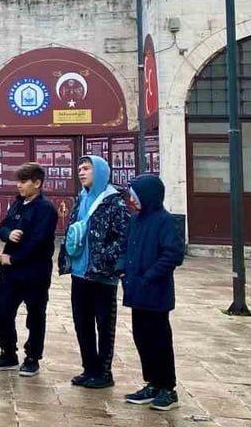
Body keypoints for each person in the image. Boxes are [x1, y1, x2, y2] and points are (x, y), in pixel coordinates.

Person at [59, 155, 130, 389]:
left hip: (102, 275)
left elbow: (122, 237)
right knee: (82, 322)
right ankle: (89, 368)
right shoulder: (81, 198)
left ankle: (104, 372)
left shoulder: (114, 202)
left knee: (104, 325)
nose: (81, 172)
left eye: (86, 168)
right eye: (79, 168)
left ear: (99, 172)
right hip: (80, 272)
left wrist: (105, 258)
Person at [119, 174, 184, 411]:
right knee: (142, 338)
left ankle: (167, 387)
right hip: (136, 291)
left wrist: (149, 276)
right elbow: (126, 247)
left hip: (155, 292)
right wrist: (122, 269)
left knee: (159, 340)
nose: (132, 200)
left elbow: (173, 254)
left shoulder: (165, 221)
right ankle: (152, 383)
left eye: (135, 196)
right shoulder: (135, 220)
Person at [0, 162, 58, 377]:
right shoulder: (18, 204)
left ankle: (32, 357)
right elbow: (2, 227)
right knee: (3, 312)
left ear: (37, 183)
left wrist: (14, 259)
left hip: (34, 272)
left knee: (35, 315)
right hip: (10, 273)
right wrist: (9, 234)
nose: (19, 185)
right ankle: (8, 353)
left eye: (24, 181)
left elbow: (39, 241)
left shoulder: (46, 209)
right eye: (18, 181)